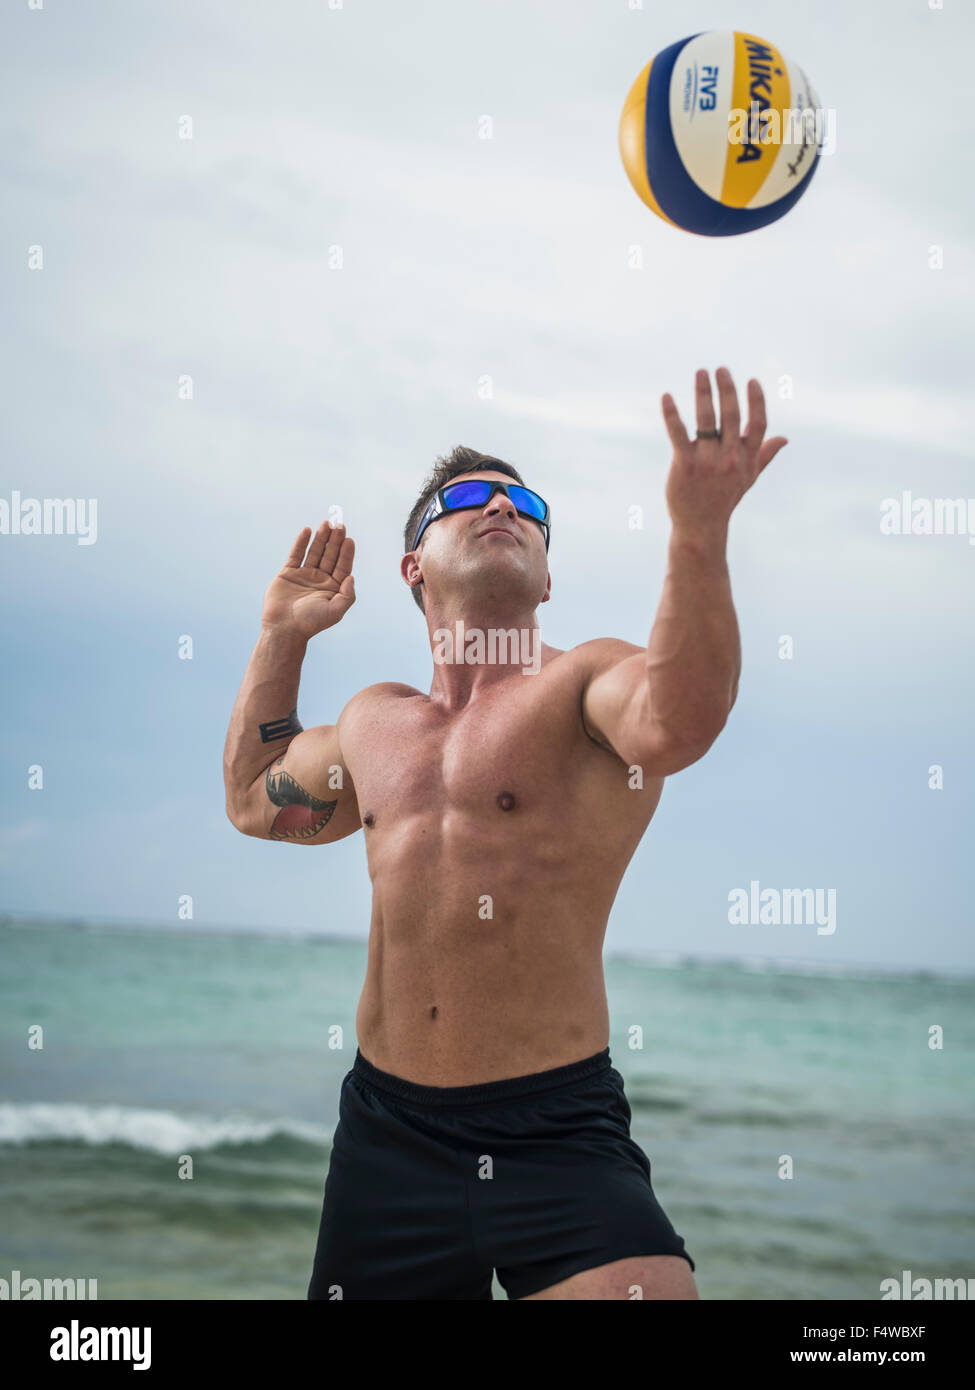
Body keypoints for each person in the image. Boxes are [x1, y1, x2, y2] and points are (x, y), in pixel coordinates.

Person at [223, 367, 787, 1300]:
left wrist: (698, 530)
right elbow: (252, 797)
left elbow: (681, 719)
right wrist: (283, 633)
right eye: (468, 499)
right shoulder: (373, 722)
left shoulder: (584, 687)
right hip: (385, 1136)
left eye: (526, 503)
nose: (503, 507)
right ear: (412, 565)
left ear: (548, 574)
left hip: (555, 1130)